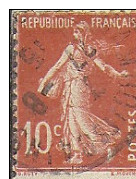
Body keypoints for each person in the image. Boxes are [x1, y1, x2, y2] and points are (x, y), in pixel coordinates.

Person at [37, 21, 128, 166]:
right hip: (72, 87)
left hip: (78, 88)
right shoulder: (77, 50)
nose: (76, 35)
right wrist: (44, 82)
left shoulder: (82, 50)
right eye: (75, 32)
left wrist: (118, 74)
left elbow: (102, 66)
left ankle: (101, 142)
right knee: (71, 119)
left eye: (79, 32)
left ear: (84, 33)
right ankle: (77, 153)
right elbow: (57, 67)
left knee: (80, 117)